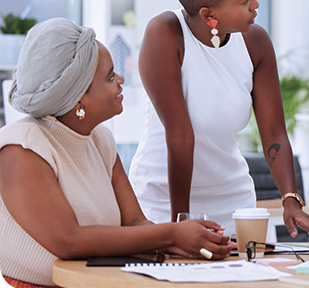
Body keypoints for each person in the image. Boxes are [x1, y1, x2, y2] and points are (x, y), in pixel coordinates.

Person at [0, 18, 232, 288]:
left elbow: (134, 222)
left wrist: (182, 243)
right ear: (78, 98)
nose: (121, 80)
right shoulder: (22, 147)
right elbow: (68, 241)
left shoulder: (101, 140)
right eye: (110, 76)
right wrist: (172, 234)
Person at [128, 0, 309, 246]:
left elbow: (273, 133)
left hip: (233, 202)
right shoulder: (165, 33)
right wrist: (180, 224)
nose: (255, 4)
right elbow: (180, 135)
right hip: (163, 201)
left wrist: (290, 200)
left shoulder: (255, 41)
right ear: (209, 14)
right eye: (245, 0)